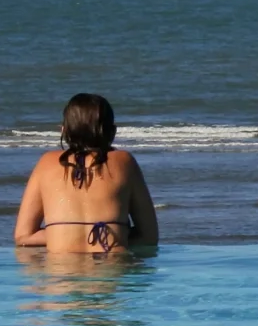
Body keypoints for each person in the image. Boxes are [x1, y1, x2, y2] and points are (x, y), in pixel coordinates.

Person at [13, 93, 159, 257]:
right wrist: (114, 234)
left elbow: (23, 236)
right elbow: (149, 236)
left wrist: (64, 234)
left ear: (64, 130)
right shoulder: (124, 161)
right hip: (112, 269)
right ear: (113, 131)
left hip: (60, 273)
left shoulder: (46, 163)